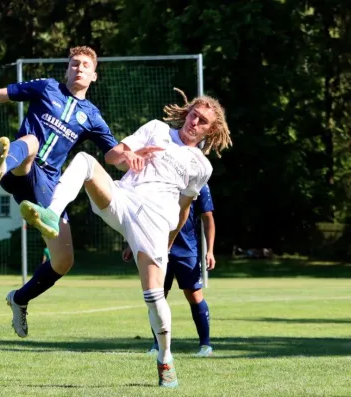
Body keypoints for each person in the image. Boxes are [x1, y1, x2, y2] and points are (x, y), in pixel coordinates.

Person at [19, 91, 231, 387]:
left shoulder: (201, 166)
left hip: (156, 222)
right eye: (193, 114)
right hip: (123, 198)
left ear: (210, 130)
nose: (194, 121)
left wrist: (168, 244)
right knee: (85, 160)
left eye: (202, 121)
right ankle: (52, 213)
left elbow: (183, 211)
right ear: (187, 113)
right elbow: (112, 157)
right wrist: (128, 155)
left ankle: (165, 358)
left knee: (154, 297)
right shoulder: (156, 128)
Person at [0, 46, 125, 338]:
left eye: (85, 65)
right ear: (66, 70)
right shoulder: (46, 87)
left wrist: (137, 155)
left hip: (49, 188)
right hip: (20, 166)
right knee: (31, 142)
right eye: (74, 64)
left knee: (64, 262)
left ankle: (20, 299)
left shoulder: (92, 116)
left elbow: (113, 154)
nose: (79, 68)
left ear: (94, 76)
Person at [125, 183, 216, 357]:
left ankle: (205, 345)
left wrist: (210, 250)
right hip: (157, 247)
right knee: (157, 295)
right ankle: (157, 345)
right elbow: (143, 214)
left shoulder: (199, 183)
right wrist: (132, 243)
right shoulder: (161, 180)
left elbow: (208, 218)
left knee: (195, 295)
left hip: (187, 251)